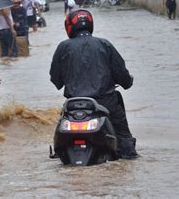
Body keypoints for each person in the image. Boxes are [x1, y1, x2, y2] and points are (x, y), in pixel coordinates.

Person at [49, 9, 138, 159]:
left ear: (70, 26)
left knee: (60, 145)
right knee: (124, 141)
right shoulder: (104, 44)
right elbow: (123, 76)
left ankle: (59, 153)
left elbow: (56, 80)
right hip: (106, 103)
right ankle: (128, 156)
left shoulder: (63, 47)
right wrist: (127, 81)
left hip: (74, 106)